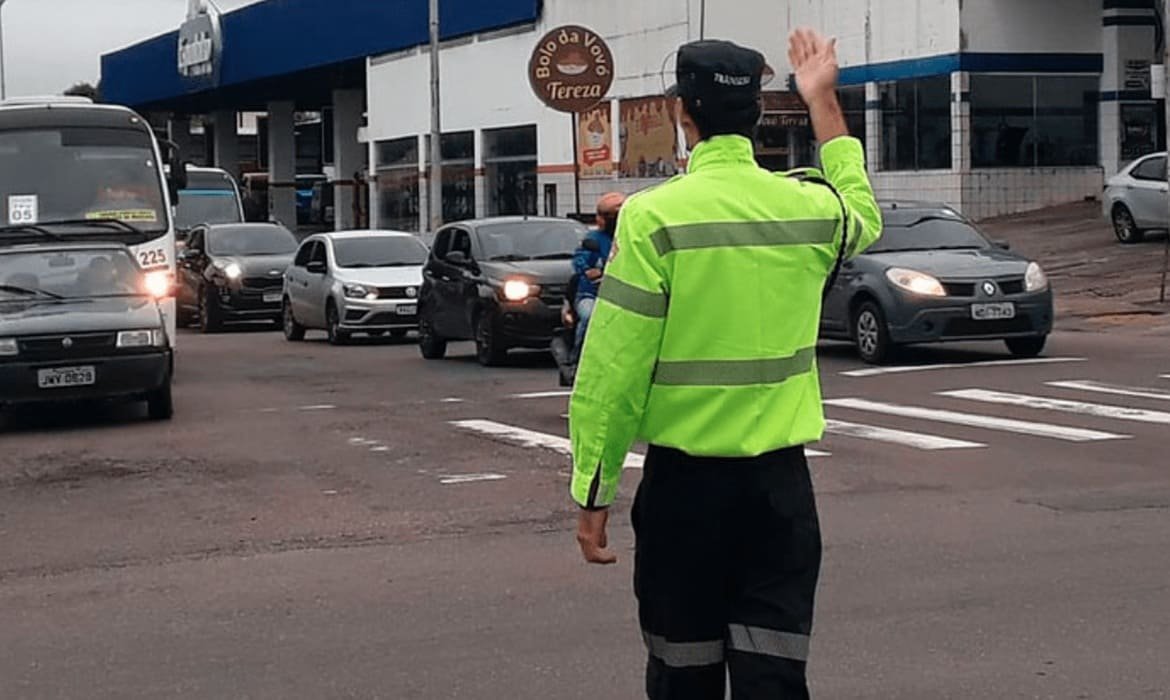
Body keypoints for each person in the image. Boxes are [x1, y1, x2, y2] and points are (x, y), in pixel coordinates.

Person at [568, 29, 883, 699]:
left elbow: (613, 374)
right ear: (758, 115)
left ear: (684, 115)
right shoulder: (808, 211)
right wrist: (822, 99)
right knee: (774, 677)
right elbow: (861, 210)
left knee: (684, 677)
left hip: (685, 494)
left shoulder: (653, 220)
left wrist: (593, 493)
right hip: (780, 493)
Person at [570, 192, 625, 362]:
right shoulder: (593, 238)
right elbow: (580, 258)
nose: (599, 220)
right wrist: (588, 270)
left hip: (620, 295)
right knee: (589, 317)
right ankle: (579, 358)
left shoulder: (628, 236)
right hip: (592, 294)